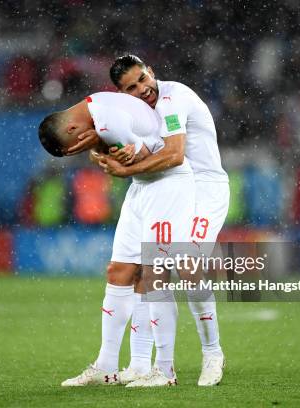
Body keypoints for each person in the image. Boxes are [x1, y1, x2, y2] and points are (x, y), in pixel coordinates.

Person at [68, 55, 230, 386]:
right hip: (161, 188)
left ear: (151, 71)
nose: (143, 89)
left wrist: (125, 168)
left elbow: (173, 154)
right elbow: (113, 137)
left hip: (203, 189)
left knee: (187, 267)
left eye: (143, 79)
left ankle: (212, 352)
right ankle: (139, 364)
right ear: (122, 92)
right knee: (140, 271)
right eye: (132, 87)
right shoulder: (128, 109)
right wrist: (103, 152)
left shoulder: (173, 98)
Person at [39, 91, 196, 387]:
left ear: (72, 129)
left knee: (154, 276)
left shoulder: (107, 122)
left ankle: (165, 371)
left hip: (168, 188)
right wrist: (103, 150)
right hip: (142, 189)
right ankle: (110, 366)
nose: (77, 152)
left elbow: (156, 157)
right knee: (120, 271)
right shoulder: (92, 107)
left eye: (72, 148)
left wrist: (113, 156)